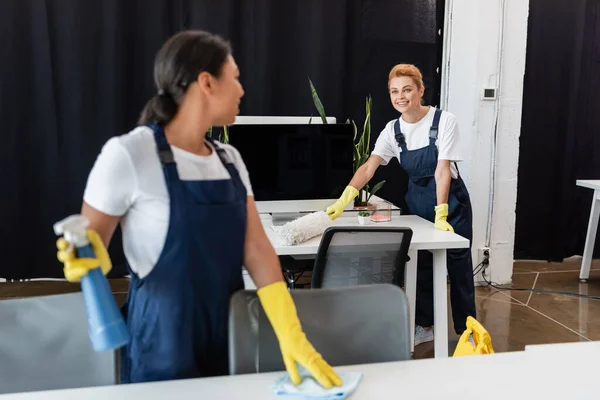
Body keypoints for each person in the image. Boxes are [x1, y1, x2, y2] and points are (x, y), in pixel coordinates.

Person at [55, 30, 342, 387]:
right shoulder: (129, 154)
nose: (241, 89)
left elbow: (256, 249)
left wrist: (290, 331)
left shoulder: (230, 159)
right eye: (235, 77)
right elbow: (90, 242)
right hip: (161, 347)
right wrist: (83, 255)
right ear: (207, 82)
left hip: (230, 336)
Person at [326, 63, 476, 345]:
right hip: (417, 201)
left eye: (407, 89)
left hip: (449, 201)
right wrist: (345, 196)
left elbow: (442, 170)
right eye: (395, 91)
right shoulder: (392, 130)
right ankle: (425, 326)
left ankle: (468, 331)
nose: (401, 96)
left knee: (458, 267)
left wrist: (441, 212)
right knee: (420, 263)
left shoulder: (444, 121)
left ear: (420, 90)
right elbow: (369, 167)